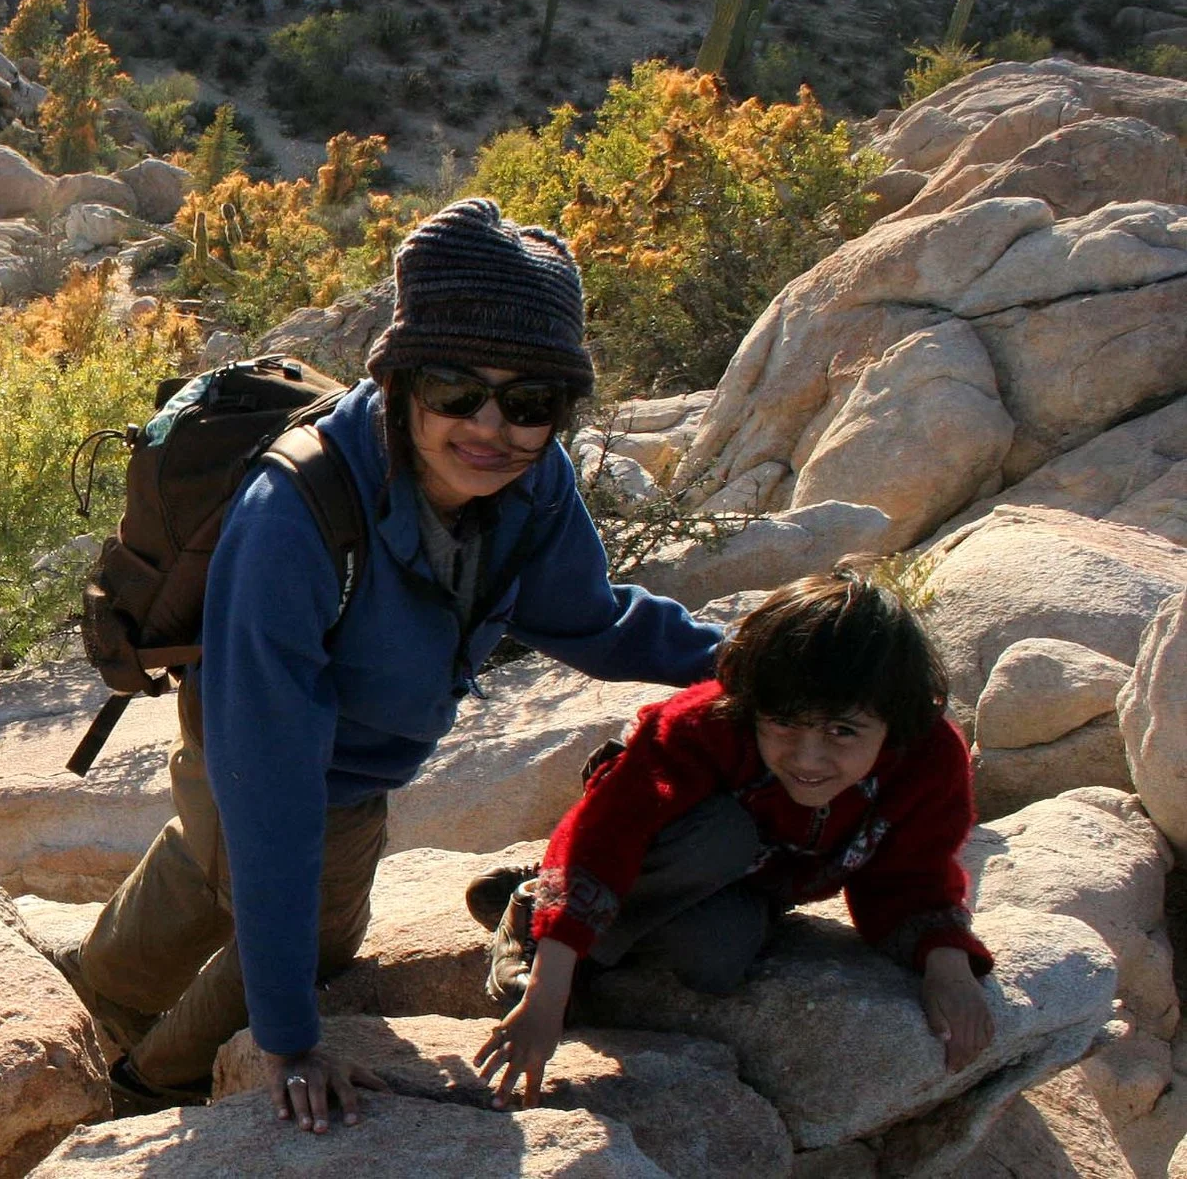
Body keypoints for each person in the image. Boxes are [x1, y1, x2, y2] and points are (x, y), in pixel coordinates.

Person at [49, 197, 725, 1133]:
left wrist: (748, 659)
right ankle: (148, 1084)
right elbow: (274, 790)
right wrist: (288, 1039)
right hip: (284, 754)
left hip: (303, 754)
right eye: (456, 388)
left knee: (214, 857)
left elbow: (593, 623)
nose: (491, 425)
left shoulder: (534, 482)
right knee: (307, 928)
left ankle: (101, 989)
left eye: (530, 401)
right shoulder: (293, 512)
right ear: (403, 381)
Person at [470, 569, 995, 1109]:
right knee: (724, 836)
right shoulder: (704, 724)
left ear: (895, 718)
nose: (808, 758)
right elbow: (604, 838)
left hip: (759, 886)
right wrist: (546, 996)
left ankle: (597, 942)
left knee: (714, 957)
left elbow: (912, 874)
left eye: (842, 731)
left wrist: (947, 967)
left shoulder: (926, 760)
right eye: (784, 725)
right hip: (676, 852)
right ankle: (536, 909)